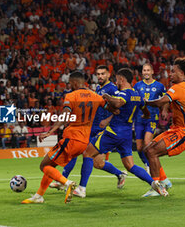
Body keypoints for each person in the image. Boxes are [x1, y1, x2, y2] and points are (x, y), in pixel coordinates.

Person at [21, 72, 116, 204]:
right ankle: (38, 196)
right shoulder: (96, 96)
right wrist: (110, 117)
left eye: (70, 83)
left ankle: (67, 183)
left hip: (71, 138)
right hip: (84, 142)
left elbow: (65, 116)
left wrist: (50, 132)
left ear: (75, 83)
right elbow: (114, 110)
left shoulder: (71, 96)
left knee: (44, 165)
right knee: (51, 166)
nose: (69, 86)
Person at [82, 68, 168, 197]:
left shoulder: (124, 94)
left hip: (114, 131)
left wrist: (107, 97)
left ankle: (81, 188)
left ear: (121, 79)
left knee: (87, 153)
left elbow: (117, 103)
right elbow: (146, 111)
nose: (116, 82)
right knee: (130, 165)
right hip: (127, 134)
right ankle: (154, 184)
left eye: (116, 79)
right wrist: (144, 116)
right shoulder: (138, 95)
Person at [50, 65, 127, 197]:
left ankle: (118, 174)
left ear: (108, 75)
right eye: (98, 74)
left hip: (102, 129)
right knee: (76, 151)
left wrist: (108, 120)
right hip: (91, 127)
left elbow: (119, 108)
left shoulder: (113, 89)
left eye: (103, 74)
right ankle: (64, 180)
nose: (100, 76)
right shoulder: (97, 89)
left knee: (95, 161)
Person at [142, 57, 185, 197]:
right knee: (148, 150)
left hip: (184, 132)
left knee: (151, 151)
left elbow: (161, 101)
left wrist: (144, 101)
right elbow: (169, 101)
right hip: (178, 129)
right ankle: (164, 181)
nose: (170, 74)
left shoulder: (179, 87)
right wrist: (166, 109)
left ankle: (157, 187)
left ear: (181, 73)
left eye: (173, 72)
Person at [134, 63, 172, 197]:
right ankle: (149, 166)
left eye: (148, 70)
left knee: (147, 144)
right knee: (139, 147)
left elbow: (166, 100)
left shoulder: (159, 86)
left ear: (152, 72)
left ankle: (156, 177)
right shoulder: (137, 85)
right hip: (139, 119)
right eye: (144, 70)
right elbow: (134, 100)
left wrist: (165, 110)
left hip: (152, 118)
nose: (146, 72)